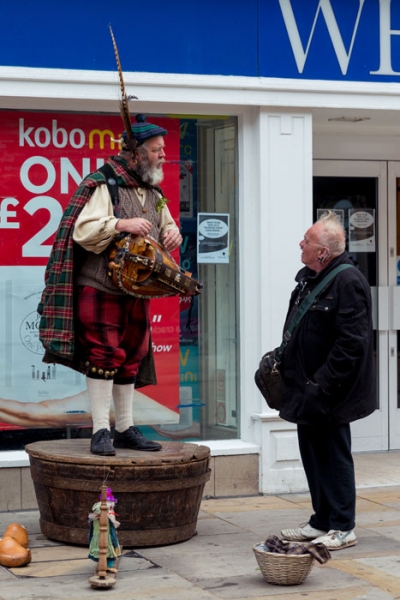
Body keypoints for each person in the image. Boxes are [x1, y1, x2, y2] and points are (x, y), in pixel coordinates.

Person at [38, 114, 182, 456]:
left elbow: (166, 224)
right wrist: (121, 223)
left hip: (136, 287)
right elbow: (83, 230)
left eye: (163, 149)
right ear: (135, 153)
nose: (163, 154)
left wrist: (172, 233)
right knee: (104, 354)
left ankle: (125, 429)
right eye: (156, 149)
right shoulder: (104, 183)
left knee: (132, 355)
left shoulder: (153, 190)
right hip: (100, 285)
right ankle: (100, 430)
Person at [279, 211, 376, 551]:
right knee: (313, 453)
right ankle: (321, 519)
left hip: (330, 390)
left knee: (334, 454)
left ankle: (342, 526)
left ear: (322, 251)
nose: (300, 244)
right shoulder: (311, 277)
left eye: (306, 241)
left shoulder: (347, 281)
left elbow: (352, 343)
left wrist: (321, 384)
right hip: (307, 387)